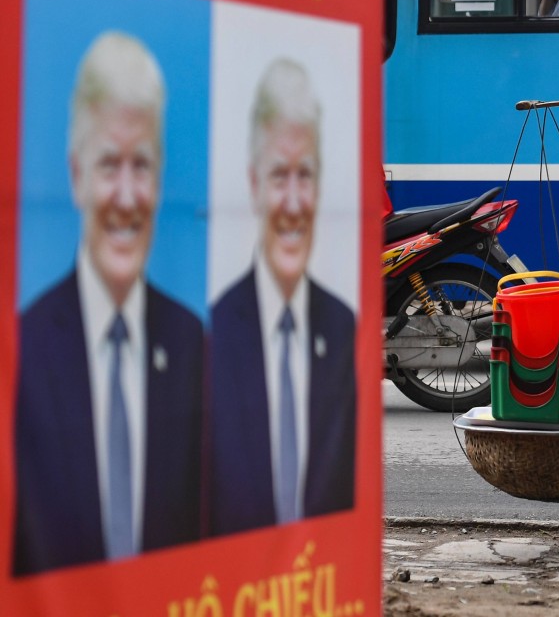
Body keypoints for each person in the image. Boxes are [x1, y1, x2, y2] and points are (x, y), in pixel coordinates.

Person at [13, 32, 204, 576]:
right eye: (107, 166)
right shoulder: (21, 347)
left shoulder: (193, 344)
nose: (125, 195)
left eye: (140, 166)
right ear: (75, 176)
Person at [208, 57, 357, 536]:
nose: (293, 202)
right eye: (278, 177)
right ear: (253, 186)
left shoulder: (342, 327)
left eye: (305, 176)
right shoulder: (208, 337)